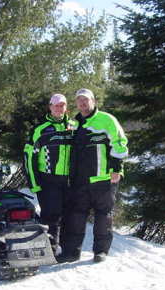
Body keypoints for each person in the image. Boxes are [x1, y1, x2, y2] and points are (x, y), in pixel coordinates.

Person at [57, 88, 128, 263]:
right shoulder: (74, 123)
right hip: (79, 180)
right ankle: (71, 252)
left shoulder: (106, 119)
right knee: (76, 215)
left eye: (86, 100)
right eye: (79, 100)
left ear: (93, 101)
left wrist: (117, 168)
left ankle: (100, 251)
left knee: (103, 215)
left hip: (103, 178)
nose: (82, 103)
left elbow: (120, 143)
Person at [23, 94, 76, 253]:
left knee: (69, 216)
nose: (59, 108)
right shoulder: (41, 129)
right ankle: (48, 249)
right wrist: (34, 183)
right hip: (48, 179)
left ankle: (66, 249)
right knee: (51, 215)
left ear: (66, 107)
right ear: (50, 107)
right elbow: (29, 156)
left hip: (70, 180)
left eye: (62, 105)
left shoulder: (74, 125)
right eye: (56, 105)